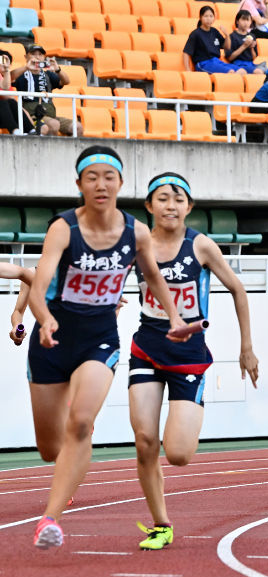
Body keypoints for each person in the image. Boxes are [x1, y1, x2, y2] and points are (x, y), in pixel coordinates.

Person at [28, 146, 187, 549]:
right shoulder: (64, 229)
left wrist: (174, 318)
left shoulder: (135, 231)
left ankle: (51, 519)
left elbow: (153, 275)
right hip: (54, 337)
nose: (101, 184)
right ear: (79, 184)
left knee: (81, 422)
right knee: (50, 448)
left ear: (120, 182)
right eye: (92, 177)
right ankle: (71, 451)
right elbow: (39, 285)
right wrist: (44, 319)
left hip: (99, 337)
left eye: (109, 176)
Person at [130, 173, 259, 550]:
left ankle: (190, 414)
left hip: (189, 356)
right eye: (163, 199)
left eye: (178, 199)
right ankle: (161, 524)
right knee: (144, 440)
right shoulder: (138, 243)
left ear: (189, 207)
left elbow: (237, 288)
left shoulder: (199, 245)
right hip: (147, 349)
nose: (171, 205)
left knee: (179, 454)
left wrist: (246, 347)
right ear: (149, 206)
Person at [11, 45, 78, 136]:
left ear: (44, 57)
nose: (37, 57)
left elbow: (66, 81)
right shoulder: (22, 73)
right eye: (33, 54)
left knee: (77, 127)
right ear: (26, 57)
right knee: (54, 124)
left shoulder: (48, 74)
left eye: (40, 54)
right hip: (32, 116)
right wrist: (27, 67)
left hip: (50, 115)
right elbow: (10, 77)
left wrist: (58, 69)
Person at [184, 6, 246, 74]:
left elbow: (227, 47)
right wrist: (187, 69)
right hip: (204, 63)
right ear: (200, 17)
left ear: (214, 18)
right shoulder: (195, 34)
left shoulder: (214, 31)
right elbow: (186, 52)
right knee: (230, 72)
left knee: (242, 71)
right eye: (206, 16)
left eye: (211, 16)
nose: (208, 19)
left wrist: (227, 35)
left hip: (217, 61)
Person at [0, 49, 37, 134]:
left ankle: (31, 131)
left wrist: (6, 70)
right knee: (4, 102)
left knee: (12, 102)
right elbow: (6, 95)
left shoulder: (3, 75)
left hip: (4, 113)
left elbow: (5, 87)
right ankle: (15, 131)